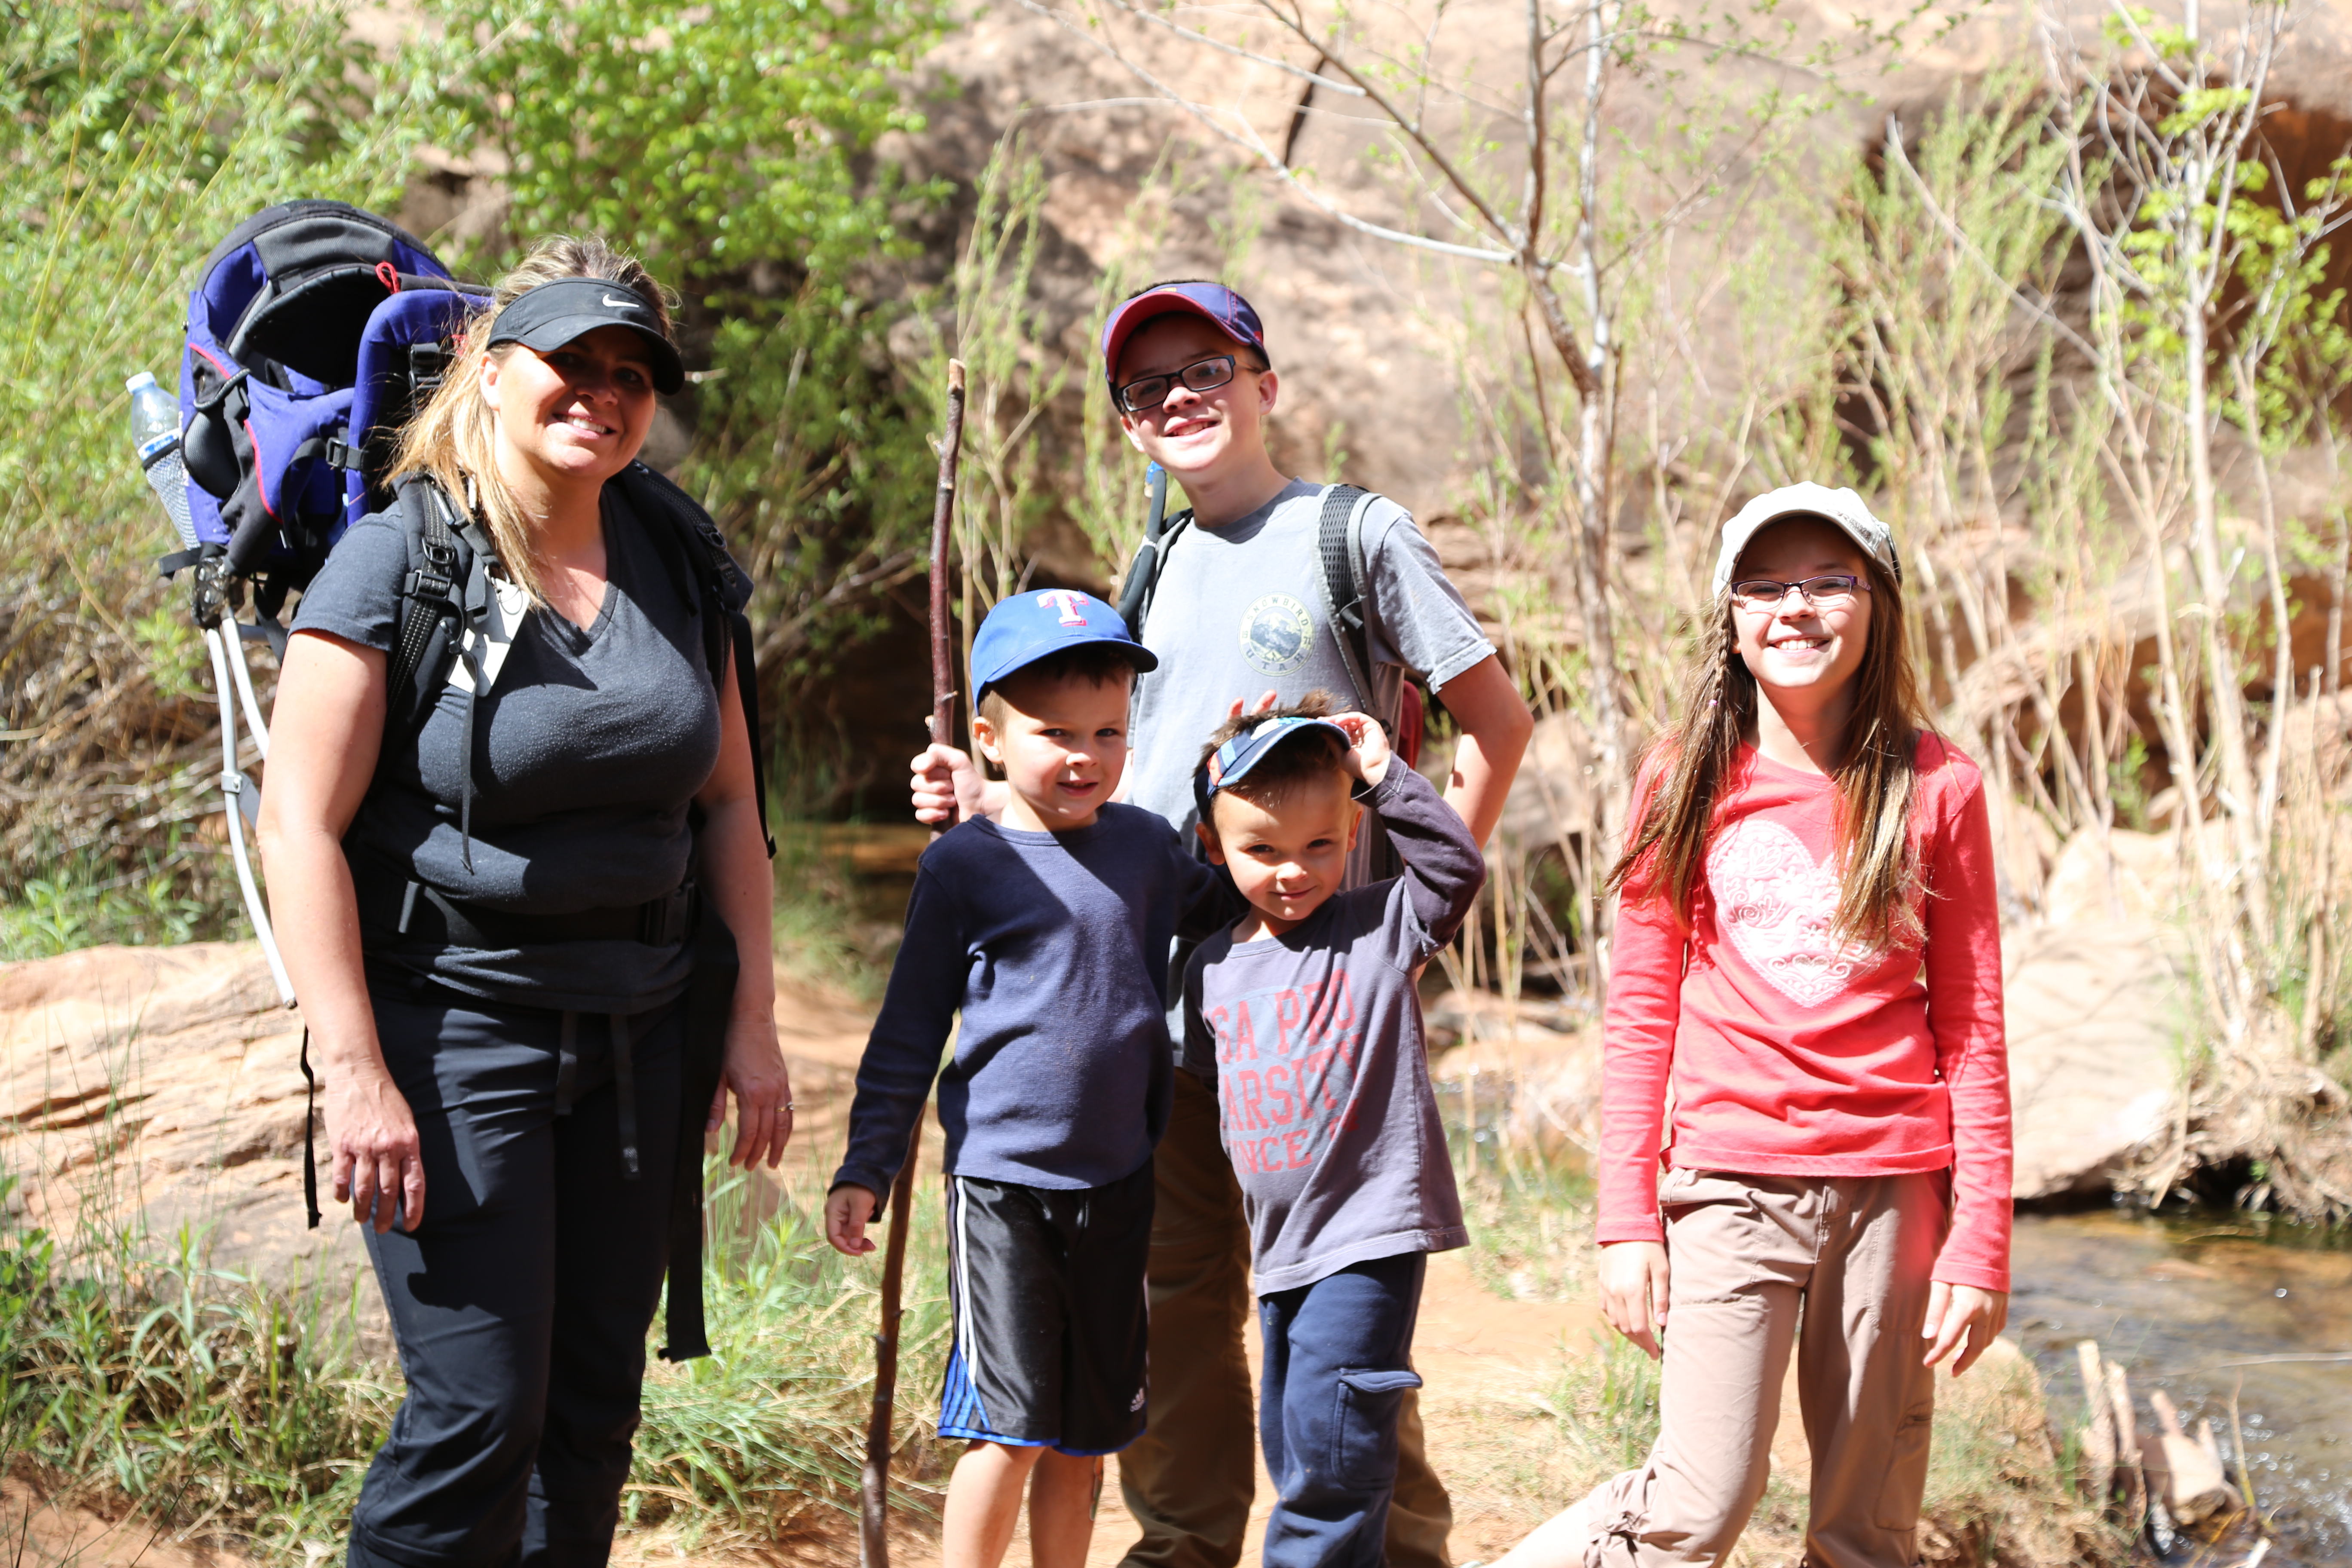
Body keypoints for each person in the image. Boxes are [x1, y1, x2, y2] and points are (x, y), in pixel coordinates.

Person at [914, 279, 1533, 1568]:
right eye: (1148, 387)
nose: (1180, 397)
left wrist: (1406, 920)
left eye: (1206, 367)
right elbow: (1118, 779)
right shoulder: (1160, 562)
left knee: (1333, 1294)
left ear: (1266, 382)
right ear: (1131, 428)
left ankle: (1395, 1545)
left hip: (1317, 992)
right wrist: (989, 798)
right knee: (1178, 1286)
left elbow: (1499, 724)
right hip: (1169, 991)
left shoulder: (1350, 535)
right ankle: (1184, 1543)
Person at [256, 237, 794, 1568]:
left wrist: (756, 1021)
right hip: (456, 1032)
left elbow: (729, 805)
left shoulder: (674, 551)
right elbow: (301, 824)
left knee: (591, 1412)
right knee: (474, 1421)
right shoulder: (401, 559)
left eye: (633, 373)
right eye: (572, 363)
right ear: (491, 372)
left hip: (644, 1033)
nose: (603, 395)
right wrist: (355, 1067)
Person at [1489, 484, 2011, 1568]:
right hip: (1728, 1184)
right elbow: (1640, 1015)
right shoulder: (1682, 780)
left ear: (1880, 606)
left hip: (1893, 1193)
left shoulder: (1938, 785)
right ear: (1729, 616)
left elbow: (1972, 1024)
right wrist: (1627, 1222)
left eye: (1832, 582)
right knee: (1701, 1500)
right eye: (1766, 585)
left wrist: (1982, 1240)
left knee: (1866, 1528)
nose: (1798, 607)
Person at [826, 590, 1231, 1568]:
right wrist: (867, 1163)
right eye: (1055, 732)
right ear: (989, 740)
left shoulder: (1146, 849)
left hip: (1120, 1180)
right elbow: (910, 1029)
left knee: (1087, 1435)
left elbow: (1245, 898)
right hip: (1005, 1188)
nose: (1085, 755)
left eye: (1108, 732)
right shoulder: (966, 865)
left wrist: (1272, 788)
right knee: (1010, 1425)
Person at [1182, 697, 1485, 1568]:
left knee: (1332, 1458)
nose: (1293, 871)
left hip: (1368, 1239)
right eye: (1262, 850)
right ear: (1215, 846)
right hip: (1281, 1253)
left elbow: (1456, 870)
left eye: (1320, 845)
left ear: (1352, 838)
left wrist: (1384, 775)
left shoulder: (1382, 928)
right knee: (1301, 1440)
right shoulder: (1212, 969)